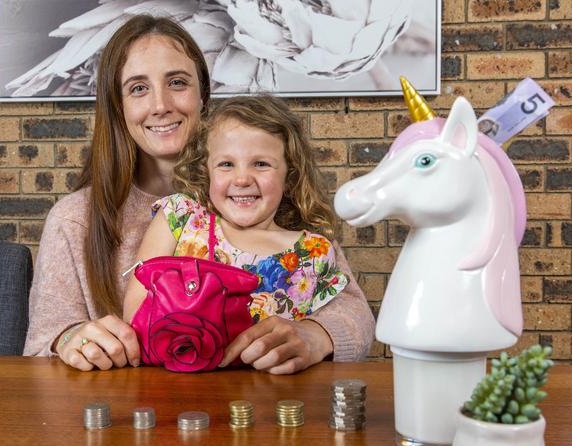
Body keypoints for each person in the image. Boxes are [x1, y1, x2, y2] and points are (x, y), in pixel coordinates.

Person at [23, 14, 375, 372]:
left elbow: (355, 313)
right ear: (118, 107)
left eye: (177, 82)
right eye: (138, 88)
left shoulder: (258, 196)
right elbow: (41, 343)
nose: (161, 105)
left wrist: (315, 334)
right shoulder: (75, 219)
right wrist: (70, 340)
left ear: (203, 96)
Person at [123, 95, 353, 373]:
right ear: (206, 170)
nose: (242, 179)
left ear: (289, 175)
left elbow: (325, 341)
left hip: (271, 397)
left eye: (261, 164)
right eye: (226, 164)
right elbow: (135, 316)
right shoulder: (180, 217)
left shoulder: (313, 253)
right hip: (176, 389)